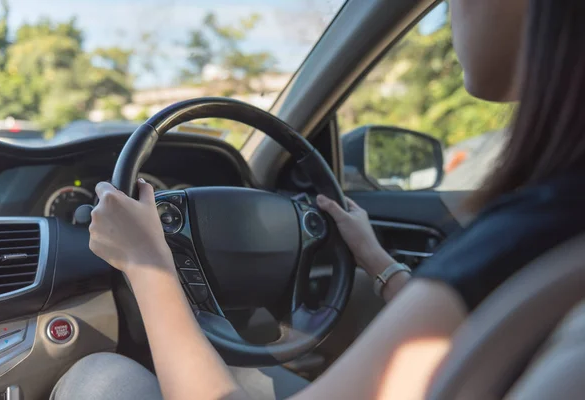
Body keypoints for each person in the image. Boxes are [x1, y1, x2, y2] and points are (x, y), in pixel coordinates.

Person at [52, 0, 585, 399]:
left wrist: (147, 264)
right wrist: (376, 260)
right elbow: (474, 327)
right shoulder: (554, 230)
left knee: (101, 377)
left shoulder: (543, 229)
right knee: (240, 371)